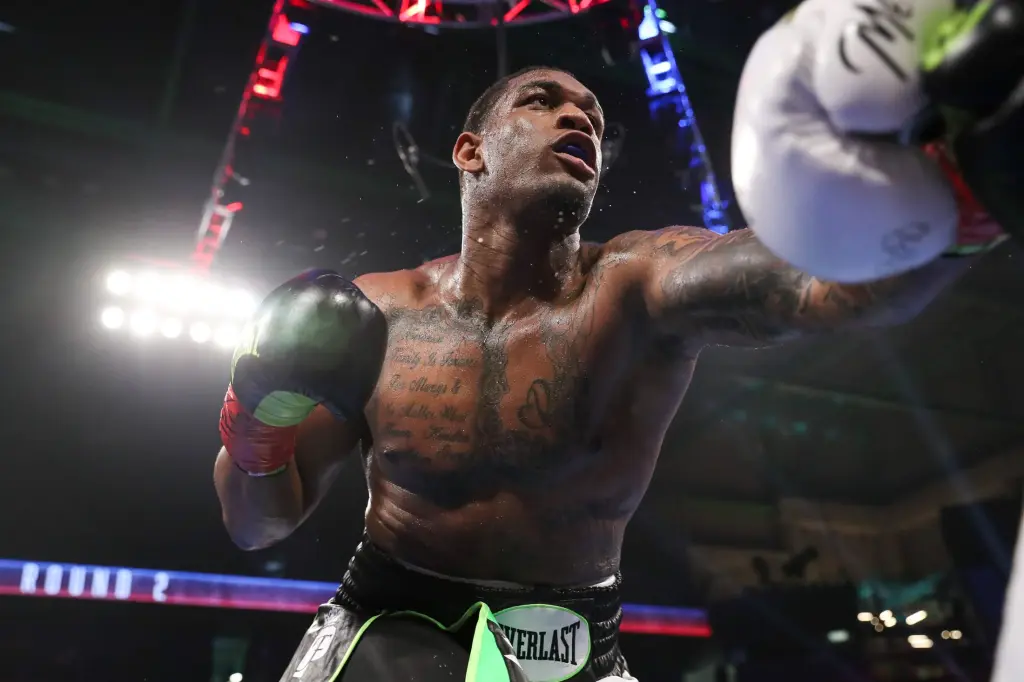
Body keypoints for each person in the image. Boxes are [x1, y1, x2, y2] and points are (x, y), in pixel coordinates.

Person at [213, 0, 1020, 679]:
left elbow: (821, 287)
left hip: (570, 646)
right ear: (470, 152)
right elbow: (259, 526)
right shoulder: (379, 314)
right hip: (382, 623)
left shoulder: (637, 283)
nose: (579, 118)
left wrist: (967, 197)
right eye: (542, 101)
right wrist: (255, 417)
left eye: (593, 117)